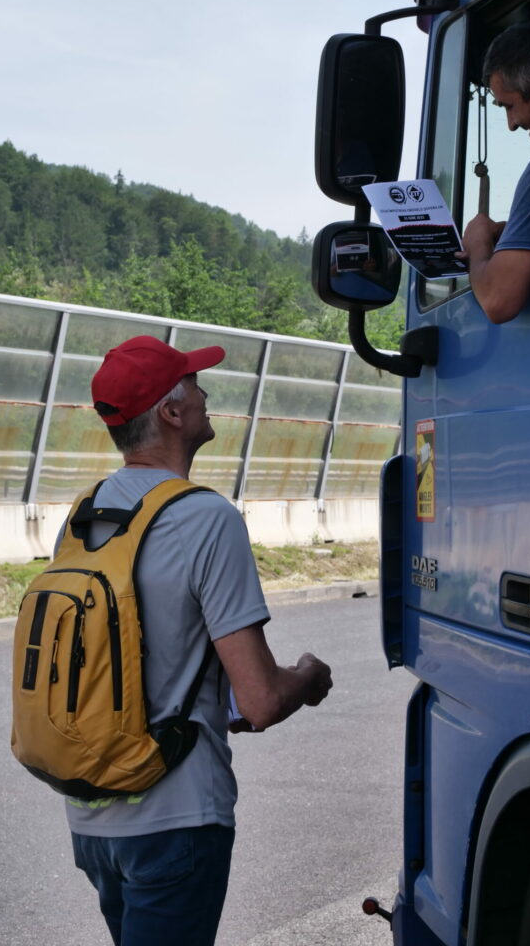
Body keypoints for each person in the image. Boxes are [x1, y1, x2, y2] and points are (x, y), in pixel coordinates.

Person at [65, 334, 333, 946]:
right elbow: (262, 701)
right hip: (176, 819)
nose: (206, 394)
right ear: (171, 411)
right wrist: (308, 676)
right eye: (194, 384)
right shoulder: (205, 517)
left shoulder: (84, 512)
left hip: (91, 819)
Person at [457, 23, 530, 323]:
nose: (511, 124)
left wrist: (477, 245)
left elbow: (498, 300)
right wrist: (518, 232)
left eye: (508, 106)